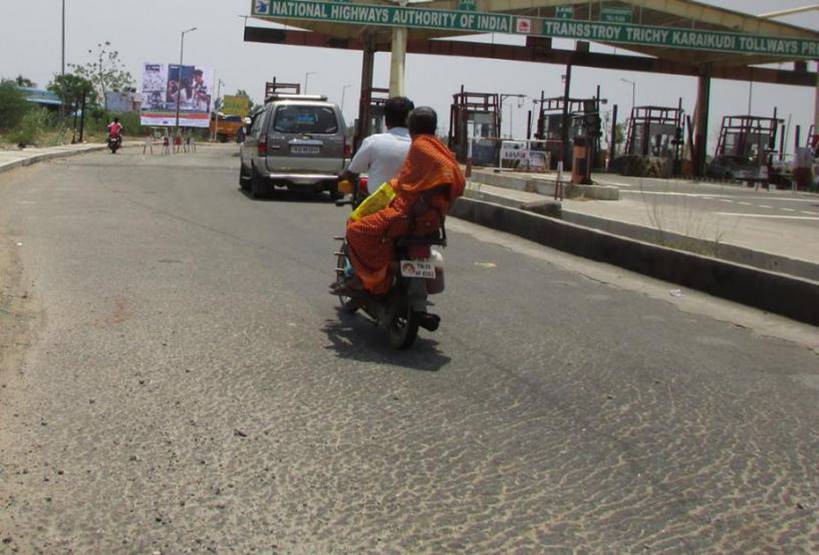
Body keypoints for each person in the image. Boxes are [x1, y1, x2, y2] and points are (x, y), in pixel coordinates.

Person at [334, 107, 465, 297]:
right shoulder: (438, 147)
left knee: (356, 230)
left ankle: (368, 279)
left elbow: (433, 176)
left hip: (406, 216)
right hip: (431, 218)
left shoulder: (421, 147)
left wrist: (420, 194)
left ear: (411, 127)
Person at [339, 96, 414, 195]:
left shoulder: (373, 141)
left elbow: (352, 172)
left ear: (386, 120)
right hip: (411, 204)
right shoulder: (421, 145)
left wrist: (340, 177)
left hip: (379, 204)